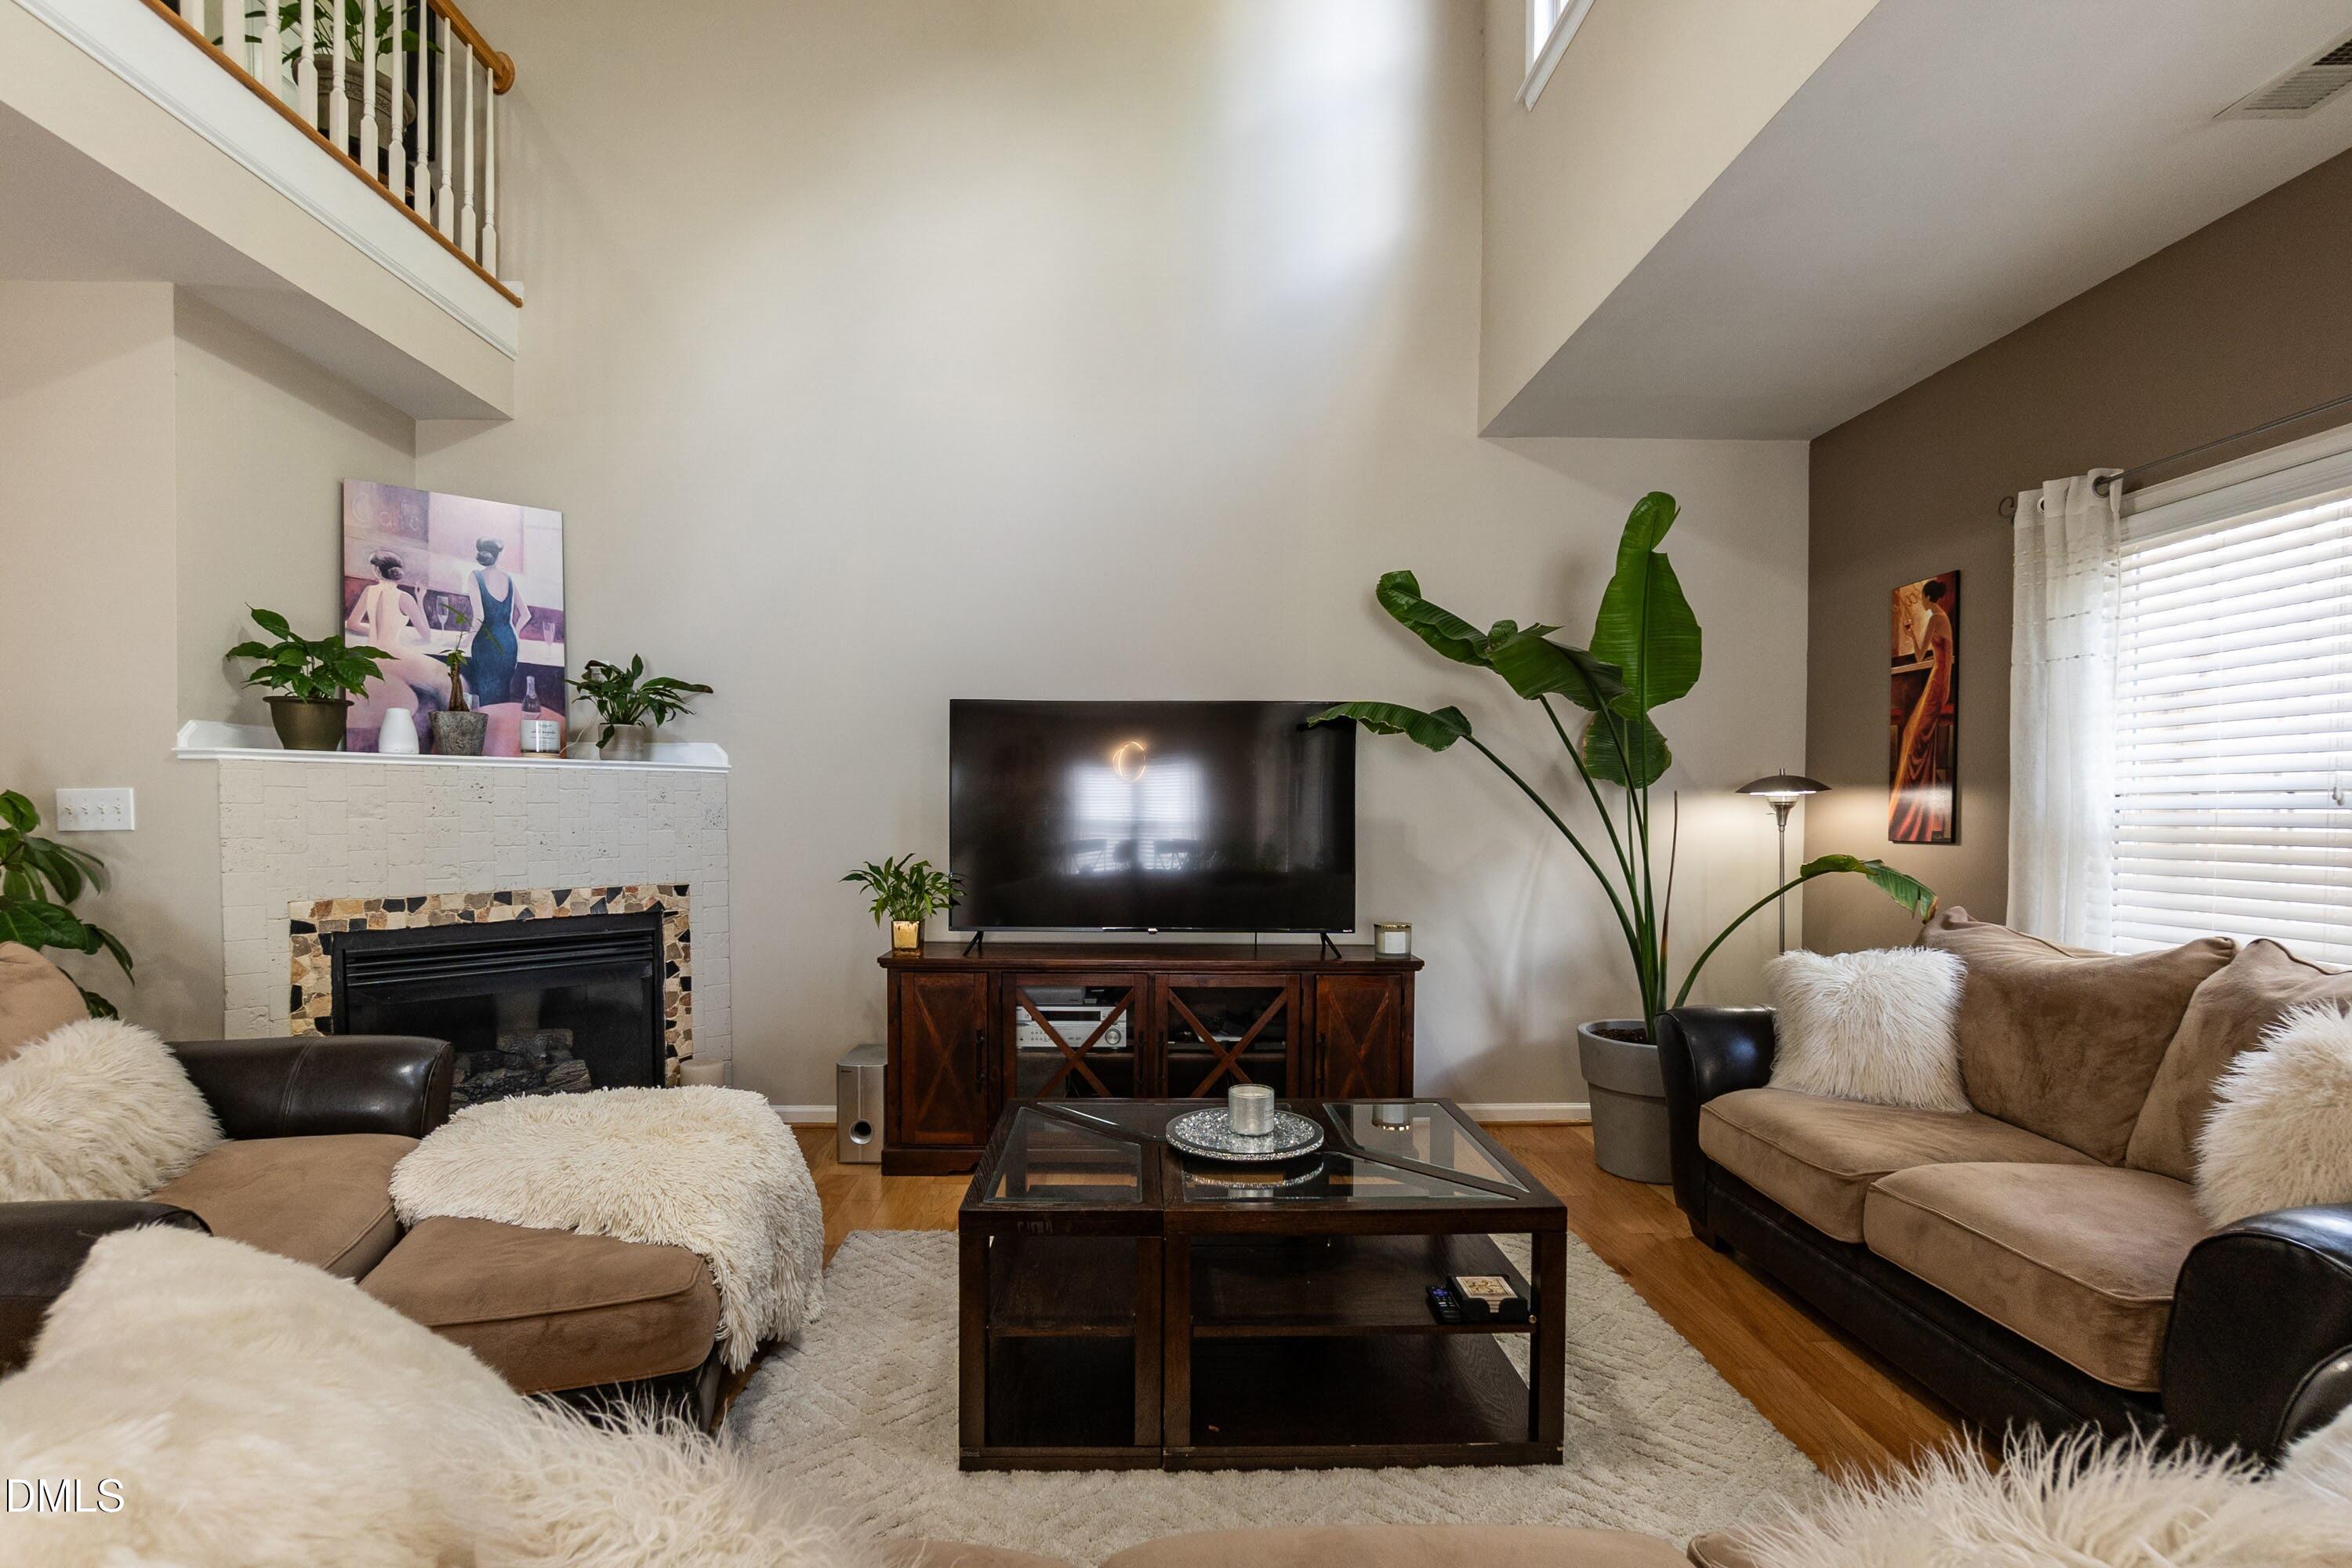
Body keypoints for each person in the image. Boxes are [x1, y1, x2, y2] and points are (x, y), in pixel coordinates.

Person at [345, 550, 452, 733]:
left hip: (372, 654)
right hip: (394, 654)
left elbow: (353, 623)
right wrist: (420, 600)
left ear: (376, 571)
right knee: (449, 679)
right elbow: (426, 634)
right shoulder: (404, 597)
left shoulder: (369, 591)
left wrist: (374, 629)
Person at [1890, 577, 1955, 842]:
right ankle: (1921, 811)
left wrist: (1910, 633)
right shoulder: (1943, 619)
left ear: (1928, 598)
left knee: (1914, 739)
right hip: (1940, 680)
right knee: (1913, 738)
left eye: (1923, 598)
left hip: (1937, 681)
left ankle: (1913, 813)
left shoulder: (1934, 618)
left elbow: (1919, 656)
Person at [463, 537, 529, 707]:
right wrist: (515, 632)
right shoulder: (508, 578)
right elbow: (526, 615)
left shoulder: (475, 577)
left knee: (484, 695)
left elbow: (480, 617)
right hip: (509, 644)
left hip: (486, 644)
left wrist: (465, 641)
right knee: (502, 695)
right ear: (499, 555)